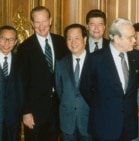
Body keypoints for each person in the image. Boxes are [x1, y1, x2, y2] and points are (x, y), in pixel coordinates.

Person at [18, 6, 69, 141]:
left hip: (57, 110)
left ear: (50, 21)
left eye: (44, 21)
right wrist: (26, 112)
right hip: (34, 113)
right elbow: (21, 83)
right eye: (37, 22)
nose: (41, 26)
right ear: (32, 24)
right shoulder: (25, 48)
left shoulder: (61, 42)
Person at [86, 18, 139, 141]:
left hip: (128, 125)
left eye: (135, 36)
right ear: (116, 38)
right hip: (104, 125)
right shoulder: (96, 59)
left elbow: (134, 87)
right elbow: (86, 89)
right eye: (130, 37)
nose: (134, 41)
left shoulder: (135, 56)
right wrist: (104, 105)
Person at [55, 23, 91, 141]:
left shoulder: (95, 62)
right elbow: (60, 91)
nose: (73, 42)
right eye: (69, 39)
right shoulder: (60, 63)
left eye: (77, 38)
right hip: (67, 122)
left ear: (85, 40)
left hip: (89, 121)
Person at [0, 25, 22, 141]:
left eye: (11, 39)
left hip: (13, 117)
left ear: (16, 42)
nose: (7, 43)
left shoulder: (20, 61)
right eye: (3, 38)